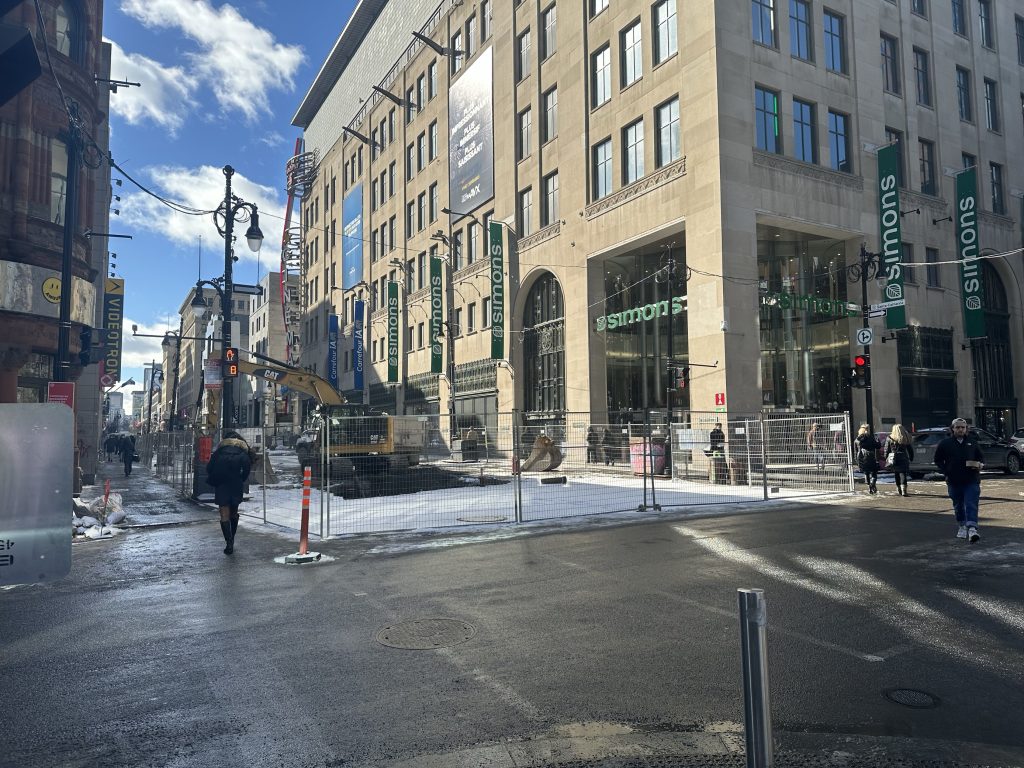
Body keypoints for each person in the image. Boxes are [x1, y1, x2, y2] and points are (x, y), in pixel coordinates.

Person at [934, 418, 985, 542]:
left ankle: (972, 529)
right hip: (953, 480)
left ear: (966, 429)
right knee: (958, 505)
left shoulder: (972, 442)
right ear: (952, 429)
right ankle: (962, 525)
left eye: (963, 427)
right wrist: (946, 470)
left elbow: (981, 458)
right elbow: (937, 460)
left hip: (971, 479)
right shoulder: (945, 443)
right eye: (958, 427)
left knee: (971, 503)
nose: (960, 429)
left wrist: (979, 465)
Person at [205, 430, 253, 555]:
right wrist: (240, 479)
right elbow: (247, 470)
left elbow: (209, 468)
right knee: (234, 512)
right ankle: (233, 538)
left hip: (222, 485)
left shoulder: (218, 452)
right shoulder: (242, 453)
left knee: (224, 514)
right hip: (236, 485)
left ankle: (229, 543)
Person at [883, 424, 914, 496]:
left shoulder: (890, 438)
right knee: (903, 473)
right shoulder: (905, 437)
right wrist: (911, 457)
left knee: (896, 473)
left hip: (894, 458)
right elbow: (910, 449)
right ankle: (904, 490)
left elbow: (886, 449)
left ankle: (898, 488)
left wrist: (886, 457)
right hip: (903, 457)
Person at [854, 424, 882, 494]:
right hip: (871, 457)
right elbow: (878, 446)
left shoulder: (857, 440)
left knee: (866, 473)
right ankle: (873, 483)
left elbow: (855, 451)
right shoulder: (871, 438)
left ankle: (869, 486)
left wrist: (857, 460)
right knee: (874, 472)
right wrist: (878, 440)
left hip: (861, 458)